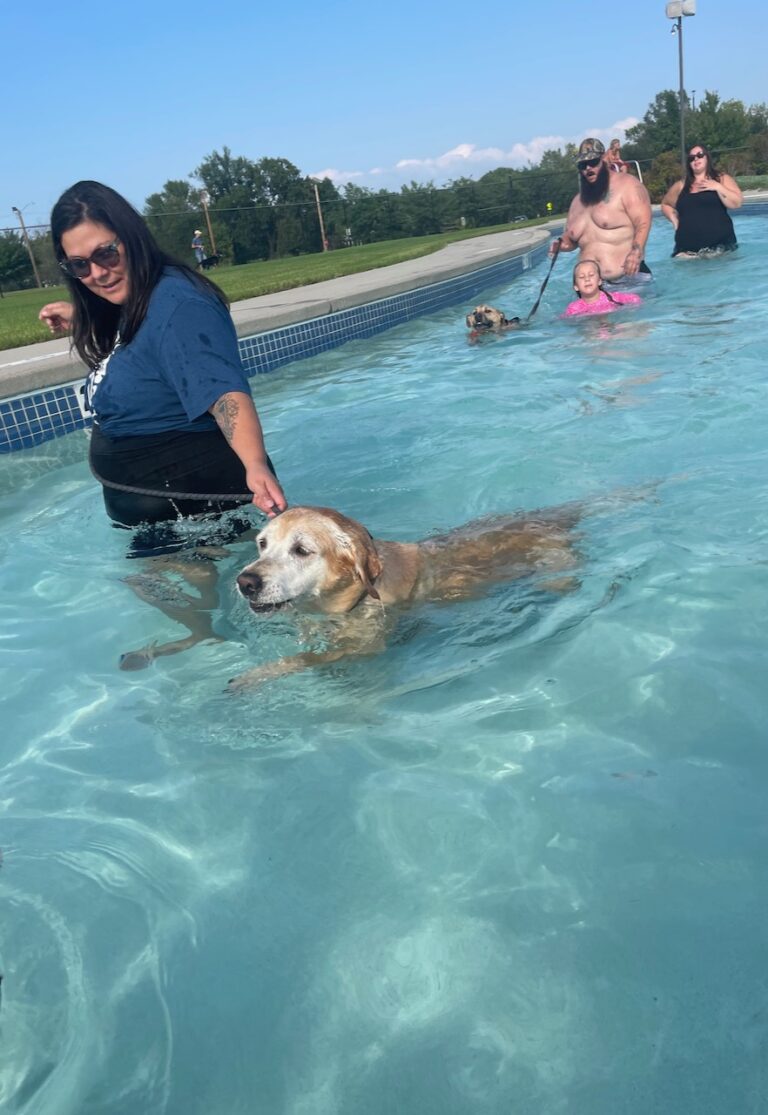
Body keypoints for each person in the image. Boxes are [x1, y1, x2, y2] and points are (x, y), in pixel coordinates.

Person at [38, 181, 286, 551]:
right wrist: (81, 317)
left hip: (192, 513)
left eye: (106, 254)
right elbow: (148, 344)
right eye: (79, 265)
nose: (98, 273)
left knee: (202, 604)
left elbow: (223, 393)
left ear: (132, 237)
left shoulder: (181, 306)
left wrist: (255, 465)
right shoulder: (140, 296)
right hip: (171, 514)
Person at [550, 138, 653, 291]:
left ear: (604, 159)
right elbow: (572, 240)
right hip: (594, 290)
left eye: (593, 162)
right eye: (583, 165)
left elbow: (643, 222)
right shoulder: (577, 202)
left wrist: (636, 252)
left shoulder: (628, 185)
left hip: (629, 281)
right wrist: (561, 244)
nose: (588, 168)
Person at [660, 143, 743, 258]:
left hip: (720, 250)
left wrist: (718, 187)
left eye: (700, 155)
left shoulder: (721, 179)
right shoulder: (681, 186)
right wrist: (675, 221)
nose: (696, 159)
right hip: (686, 253)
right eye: (691, 158)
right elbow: (665, 204)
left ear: (707, 157)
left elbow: (737, 203)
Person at [562, 259, 642, 316]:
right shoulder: (574, 308)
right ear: (576, 287)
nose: (587, 279)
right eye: (582, 277)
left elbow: (635, 299)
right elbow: (566, 319)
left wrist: (629, 309)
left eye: (591, 275)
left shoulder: (612, 298)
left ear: (599, 281)